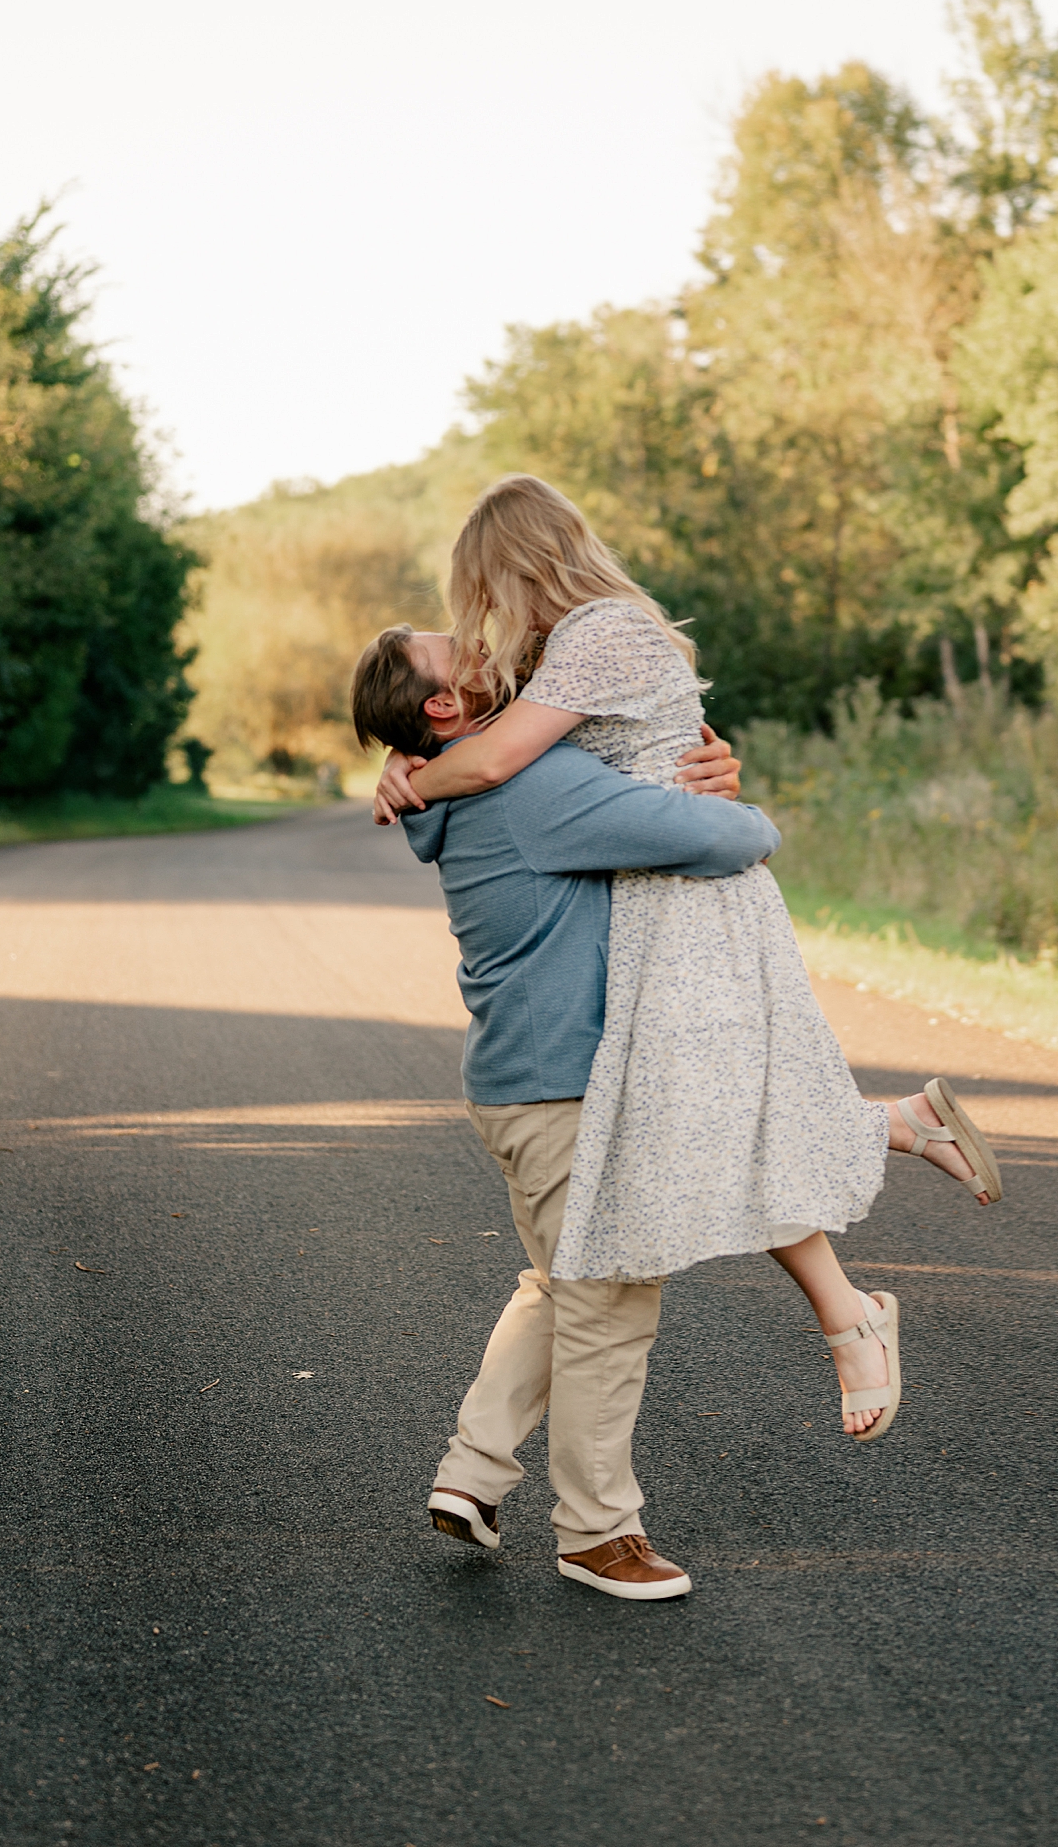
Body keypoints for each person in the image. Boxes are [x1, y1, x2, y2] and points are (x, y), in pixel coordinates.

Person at [372, 477, 1003, 1452]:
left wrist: (411, 780)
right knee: (711, 1115)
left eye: (482, 592)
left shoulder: (602, 632)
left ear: (520, 565)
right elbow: (534, 749)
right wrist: (405, 760)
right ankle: (892, 1160)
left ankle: (854, 1313)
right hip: (652, 890)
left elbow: (498, 764)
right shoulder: (561, 652)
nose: (480, 619)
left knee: (712, 1119)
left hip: (689, 892)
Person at [351, 622, 778, 1600]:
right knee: (612, 1302)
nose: (482, 635)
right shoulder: (530, 788)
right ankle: (596, 1532)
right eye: (456, 644)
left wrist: (695, 766)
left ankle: (474, 1468)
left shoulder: (477, 779)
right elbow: (725, 841)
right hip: (563, 1090)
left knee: (561, 1283)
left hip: (521, 1085)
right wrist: (732, 801)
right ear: (444, 710)